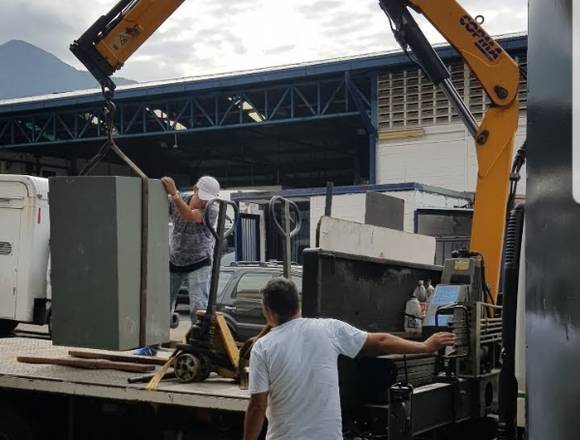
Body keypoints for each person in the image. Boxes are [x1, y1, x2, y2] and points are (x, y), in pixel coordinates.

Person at [243, 278, 455, 440]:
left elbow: (257, 407)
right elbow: (380, 341)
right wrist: (426, 346)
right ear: (297, 305)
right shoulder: (328, 329)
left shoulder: (263, 347)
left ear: (269, 312)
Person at [134, 175, 220, 356]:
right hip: (175, 260)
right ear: (195, 189)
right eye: (202, 198)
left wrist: (174, 194)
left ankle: (198, 348)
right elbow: (157, 210)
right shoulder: (178, 199)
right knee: (161, 305)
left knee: (199, 307)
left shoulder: (212, 209)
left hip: (200, 261)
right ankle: (151, 346)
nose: (204, 203)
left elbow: (189, 216)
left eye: (207, 200)